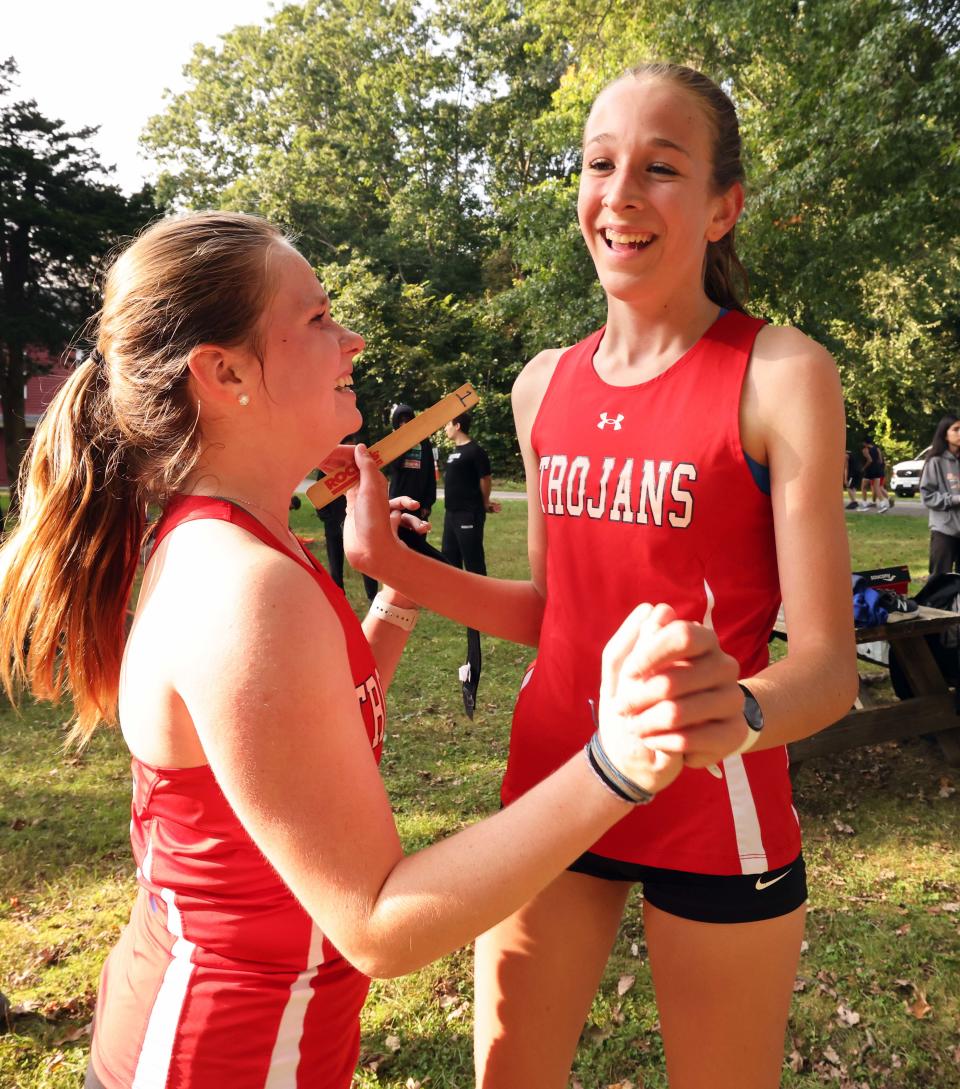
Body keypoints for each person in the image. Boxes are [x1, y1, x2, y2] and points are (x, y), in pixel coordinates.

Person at [0, 210, 745, 1089]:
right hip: (218, 1058)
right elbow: (378, 919)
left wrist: (393, 599)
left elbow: (309, 738)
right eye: (317, 320)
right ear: (224, 371)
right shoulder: (244, 585)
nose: (350, 340)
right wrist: (615, 763)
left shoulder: (251, 540)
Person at [347, 62, 858, 1089]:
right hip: (556, 783)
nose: (619, 195)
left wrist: (739, 715)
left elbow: (829, 671)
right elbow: (556, 613)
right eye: (599, 164)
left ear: (723, 208)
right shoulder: (543, 384)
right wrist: (395, 567)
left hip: (717, 802)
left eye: (661, 169)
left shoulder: (781, 373)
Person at [441, 412, 501, 714]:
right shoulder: (453, 453)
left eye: (448, 424)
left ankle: (483, 602)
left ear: (458, 425)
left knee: (473, 561)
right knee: (448, 562)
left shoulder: (475, 451)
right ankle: (455, 602)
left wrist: (483, 503)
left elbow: (485, 479)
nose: (446, 428)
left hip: (468, 514)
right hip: (451, 515)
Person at [316, 492, 379, 602]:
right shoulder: (323, 474)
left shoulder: (359, 473)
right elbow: (318, 495)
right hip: (333, 525)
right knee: (335, 565)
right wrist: (326, 517)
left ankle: (372, 598)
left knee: (366, 560)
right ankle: (339, 600)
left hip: (358, 522)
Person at [920, 413, 960, 574]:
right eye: (956, 429)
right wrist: (955, 499)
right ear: (945, 433)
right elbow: (927, 496)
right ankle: (937, 602)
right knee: (939, 579)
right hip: (944, 530)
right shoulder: (935, 461)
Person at [859, 435, 890, 511]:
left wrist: (863, 468)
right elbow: (880, 460)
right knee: (877, 487)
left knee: (863, 487)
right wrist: (877, 467)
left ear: (864, 443)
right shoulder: (877, 449)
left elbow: (869, 460)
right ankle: (883, 505)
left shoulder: (865, 450)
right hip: (877, 469)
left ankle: (864, 504)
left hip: (869, 470)